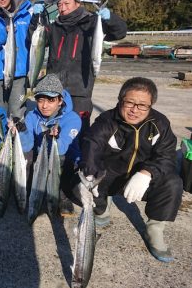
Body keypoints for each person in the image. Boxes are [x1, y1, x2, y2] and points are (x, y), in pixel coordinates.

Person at [75, 77, 183, 263]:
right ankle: (102, 209)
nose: (135, 110)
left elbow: (167, 156)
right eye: (130, 102)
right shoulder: (107, 120)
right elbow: (92, 145)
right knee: (84, 178)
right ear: (120, 100)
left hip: (140, 179)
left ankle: (155, 230)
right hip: (111, 176)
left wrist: (147, 173)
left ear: (151, 105)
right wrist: (90, 175)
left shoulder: (160, 123)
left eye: (142, 105)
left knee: (173, 182)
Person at [30, 0, 127, 135]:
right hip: (55, 90)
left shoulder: (92, 23)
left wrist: (110, 18)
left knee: (78, 132)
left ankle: (78, 158)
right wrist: (35, 17)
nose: (62, 8)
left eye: (66, 3)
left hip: (81, 89)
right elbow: (33, 38)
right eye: (59, 4)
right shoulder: (54, 27)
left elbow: (120, 32)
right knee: (53, 130)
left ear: (77, 3)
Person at [19, 74, 82, 216]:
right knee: (25, 156)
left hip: (65, 161)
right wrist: (22, 131)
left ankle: (62, 194)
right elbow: (27, 146)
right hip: (41, 156)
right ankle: (28, 187)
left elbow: (62, 148)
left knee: (61, 160)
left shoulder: (73, 119)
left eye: (51, 100)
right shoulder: (32, 115)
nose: (45, 105)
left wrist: (55, 138)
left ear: (60, 100)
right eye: (40, 100)